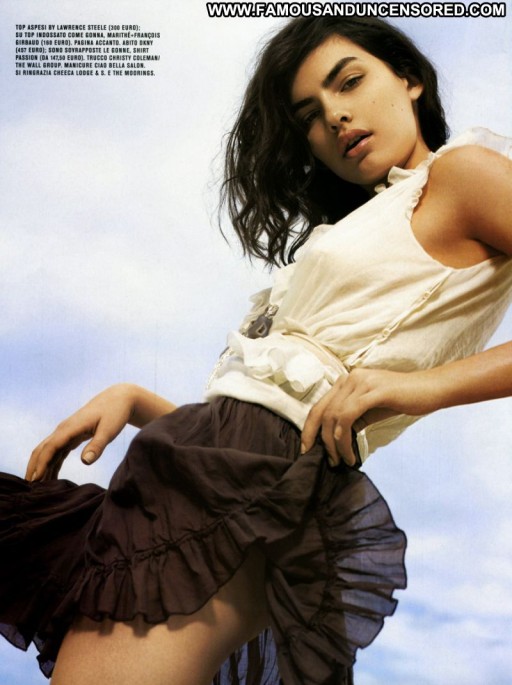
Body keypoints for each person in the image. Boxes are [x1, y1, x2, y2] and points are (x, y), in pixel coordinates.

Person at [1, 14, 511, 685]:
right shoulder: (370, 218)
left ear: (410, 78)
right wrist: (137, 400)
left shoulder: (463, 173)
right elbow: (266, 411)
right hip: (221, 473)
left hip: (253, 494)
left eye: (349, 82)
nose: (335, 116)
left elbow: (277, 430)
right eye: (309, 115)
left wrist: (417, 388)